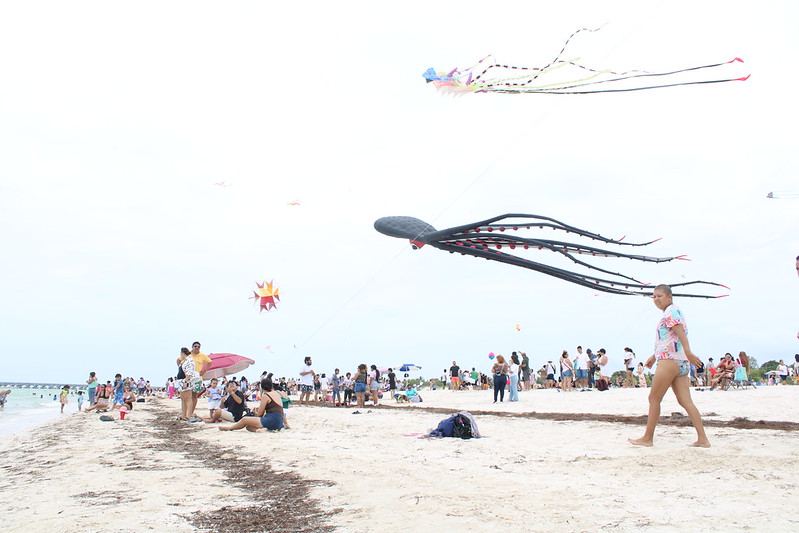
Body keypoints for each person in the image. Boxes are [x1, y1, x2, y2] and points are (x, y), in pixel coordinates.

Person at [628, 284, 710, 448]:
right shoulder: (674, 311)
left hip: (670, 361)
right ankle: (703, 439)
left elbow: (680, 332)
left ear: (669, 297)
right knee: (686, 401)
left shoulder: (670, 311)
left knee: (654, 399)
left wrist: (689, 351)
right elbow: (670, 339)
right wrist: (654, 356)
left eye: (660, 296)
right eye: (654, 297)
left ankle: (647, 438)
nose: (656, 299)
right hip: (679, 361)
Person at [220, 377, 289, 432]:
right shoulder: (276, 394)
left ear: (262, 387)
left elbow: (260, 414)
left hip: (271, 419)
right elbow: (282, 412)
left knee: (245, 420)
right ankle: (261, 430)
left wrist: (256, 414)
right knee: (248, 427)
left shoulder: (266, 395)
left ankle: (229, 428)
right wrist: (286, 424)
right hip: (279, 422)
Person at [178, 347, 204, 421]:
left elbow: (189, 372)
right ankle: (183, 415)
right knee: (183, 398)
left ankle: (188, 415)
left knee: (188, 398)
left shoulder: (189, 361)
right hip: (182, 381)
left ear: (183, 353)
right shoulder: (185, 360)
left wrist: (186, 382)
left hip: (187, 380)